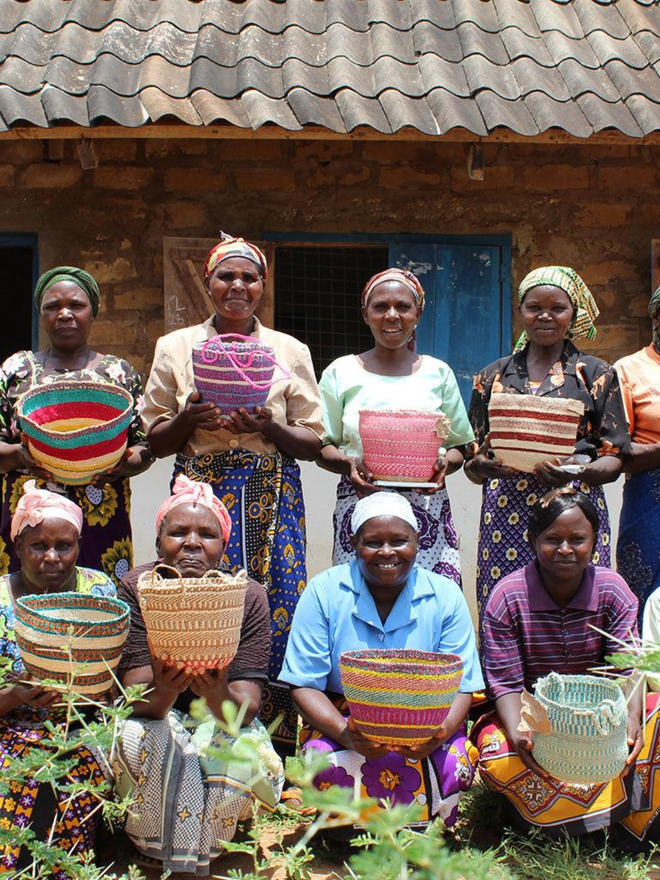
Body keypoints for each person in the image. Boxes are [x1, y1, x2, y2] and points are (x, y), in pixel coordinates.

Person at [142, 235, 323, 757]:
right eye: (226, 276)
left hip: (273, 489)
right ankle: (185, 723)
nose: (237, 286)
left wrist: (272, 427)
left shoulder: (289, 351)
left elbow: (312, 440)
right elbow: (153, 438)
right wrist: (188, 419)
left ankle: (276, 735)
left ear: (264, 286)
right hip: (199, 491)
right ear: (207, 281)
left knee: (275, 601)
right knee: (192, 602)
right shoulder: (175, 347)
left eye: (249, 277)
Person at [279, 492, 483, 829]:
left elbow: (463, 686)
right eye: (373, 542)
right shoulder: (324, 592)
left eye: (399, 540)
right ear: (354, 543)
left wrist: (438, 733)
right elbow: (304, 684)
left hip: (428, 721)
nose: (387, 552)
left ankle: (427, 828)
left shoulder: (445, 595)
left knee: (454, 762)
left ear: (417, 541)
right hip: (347, 719)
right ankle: (344, 829)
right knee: (326, 760)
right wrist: (346, 735)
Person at [114, 475, 284, 875]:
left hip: (219, 714)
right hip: (156, 714)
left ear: (224, 547)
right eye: (178, 532)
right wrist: (166, 688)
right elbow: (137, 702)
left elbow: (245, 712)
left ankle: (189, 854)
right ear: (158, 543)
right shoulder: (138, 587)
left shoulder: (247, 596)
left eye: (207, 534)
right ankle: (168, 853)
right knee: (152, 740)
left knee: (232, 745)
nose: (192, 542)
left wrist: (215, 691)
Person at [473, 488, 660, 842]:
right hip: (535, 715)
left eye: (578, 539)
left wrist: (630, 723)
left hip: (603, 715)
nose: (565, 549)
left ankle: (615, 816)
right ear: (532, 540)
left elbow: (627, 667)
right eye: (553, 539)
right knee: (498, 755)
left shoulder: (613, 591)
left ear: (595, 540)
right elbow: (507, 683)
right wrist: (521, 738)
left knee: (657, 723)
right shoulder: (507, 596)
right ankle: (576, 819)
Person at [465, 266, 630, 637]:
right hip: (506, 509)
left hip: (575, 508)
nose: (545, 316)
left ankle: (580, 685)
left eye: (557, 308)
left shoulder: (595, 373)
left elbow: (614, 457)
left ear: (573, 314)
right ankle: (506, 687)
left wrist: (578, 471)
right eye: (534, 307)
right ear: (520, 311)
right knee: (506, 605)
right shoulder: (492, 376)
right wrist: (485, 467)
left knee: (579, 607)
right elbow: (472, 463)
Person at [318, 268, 474, 586]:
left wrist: (445, 464)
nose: (392, 316)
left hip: (426, 506)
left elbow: (461, 446)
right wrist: (348, 464)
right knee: (358, 599)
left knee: (430, 599)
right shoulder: (341, 372)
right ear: (365, 314)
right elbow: (323, 444)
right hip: (360, 502)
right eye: (380, 307)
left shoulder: (438, 373)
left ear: (418, 313)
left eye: (403, 306)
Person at [0, 267, 153, 586]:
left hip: (101, 517)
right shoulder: (16, 370)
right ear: (41, 314)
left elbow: (144, 446)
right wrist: (20, 455)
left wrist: (122, 464)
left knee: (98, 604)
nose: (64, 314)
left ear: (93, 312)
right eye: (53, 306)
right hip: (29, 518)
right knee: (24, 609)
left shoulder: (118, 373)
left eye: (76, 306)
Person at [0, 481, 117, 872]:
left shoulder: (99, 590)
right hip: (9, 725)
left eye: (63, 546)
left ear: (79, 545)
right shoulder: (0, 600)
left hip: (82, 724)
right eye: (38, 546)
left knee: (69, 770)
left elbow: (115, 678)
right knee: (17, 772)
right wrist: (17, 695)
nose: (51, 557)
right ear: (17, 547)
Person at [615, 284, 660, 614]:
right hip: (649, 499)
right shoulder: (629, 369)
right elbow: (619, 451)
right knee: (645, 597)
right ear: (655, 318)